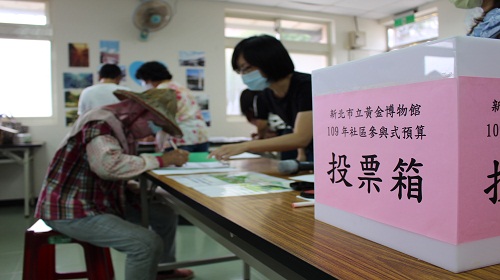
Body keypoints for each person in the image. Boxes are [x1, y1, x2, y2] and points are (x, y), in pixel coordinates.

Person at [34, 88, 194, 280]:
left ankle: (163, 270)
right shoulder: (100, 124)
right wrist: (162, 160)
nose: (153, 131)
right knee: (145, 244)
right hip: (70, 208)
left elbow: (106, 173)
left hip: (98, 200)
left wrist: (132, 187)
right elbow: (108, 166)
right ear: (138, 112)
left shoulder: (123, 129)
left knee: (164, 214)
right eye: (155, 124)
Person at [209, 35, 313, 162]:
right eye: (240, 70)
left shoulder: (307, 86)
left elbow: (301, 137)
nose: (244, 75)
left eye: (247, 68)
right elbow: (298, 129)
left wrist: (245, 146)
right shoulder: (267, 93)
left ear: (269, 61)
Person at [135, 61, 209, 152]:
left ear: (148, 79)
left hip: (179, 138)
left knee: (176, 165)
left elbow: (158, 119)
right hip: (200, 135)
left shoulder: (160, 91)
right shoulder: (180, 87)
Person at [239, 88, 306, 161]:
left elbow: (262, 127)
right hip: (290, 137)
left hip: (289, 138)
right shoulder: (273, 102)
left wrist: (260, 138)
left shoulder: (262, 102)